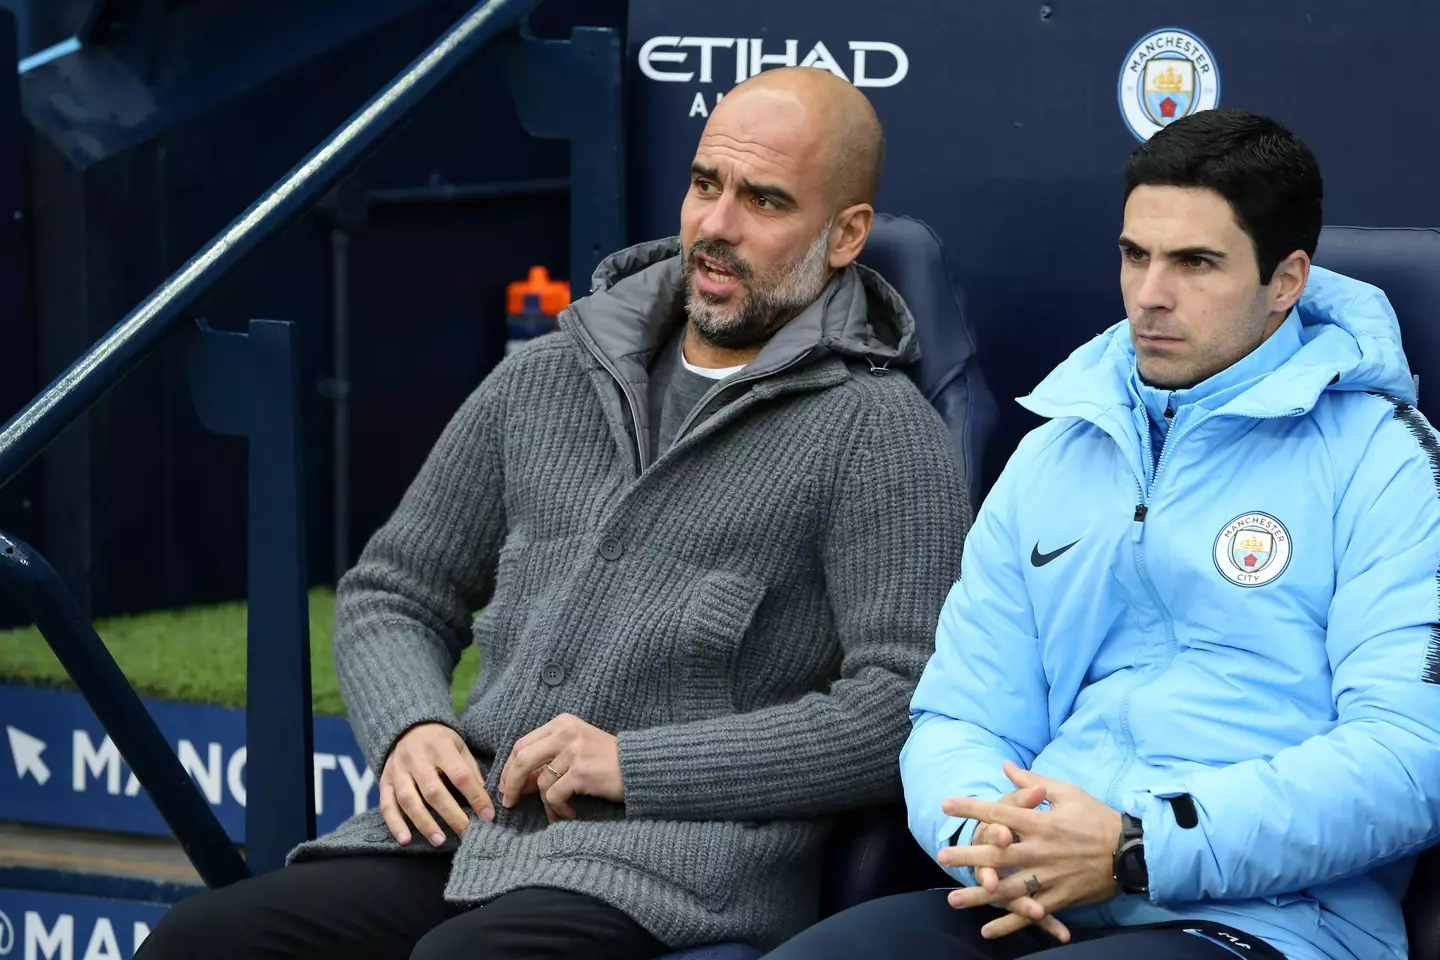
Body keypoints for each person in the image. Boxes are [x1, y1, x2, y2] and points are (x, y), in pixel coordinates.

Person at [136, 66, 970, 960]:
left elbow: (901, 707)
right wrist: (411, 726)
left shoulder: (881, 431)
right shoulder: (547, 375)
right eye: (704, 185)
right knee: (203, 940)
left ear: (846, 235)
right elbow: (395, 590)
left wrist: (636, 766)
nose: (716, 226)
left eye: (764, 201)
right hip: (466, 832)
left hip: (674, 871)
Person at [760, 107, 1440, 960]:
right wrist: (996, 838)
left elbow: (1412, 757)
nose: (1151, 294)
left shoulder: (1385, 459)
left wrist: (1137, 848)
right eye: (1135, 255)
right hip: (1034, 893)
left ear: (1286, 280)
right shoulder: (1055, 450)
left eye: (1195, 262)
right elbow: (961, 713)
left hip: (1265, 919)